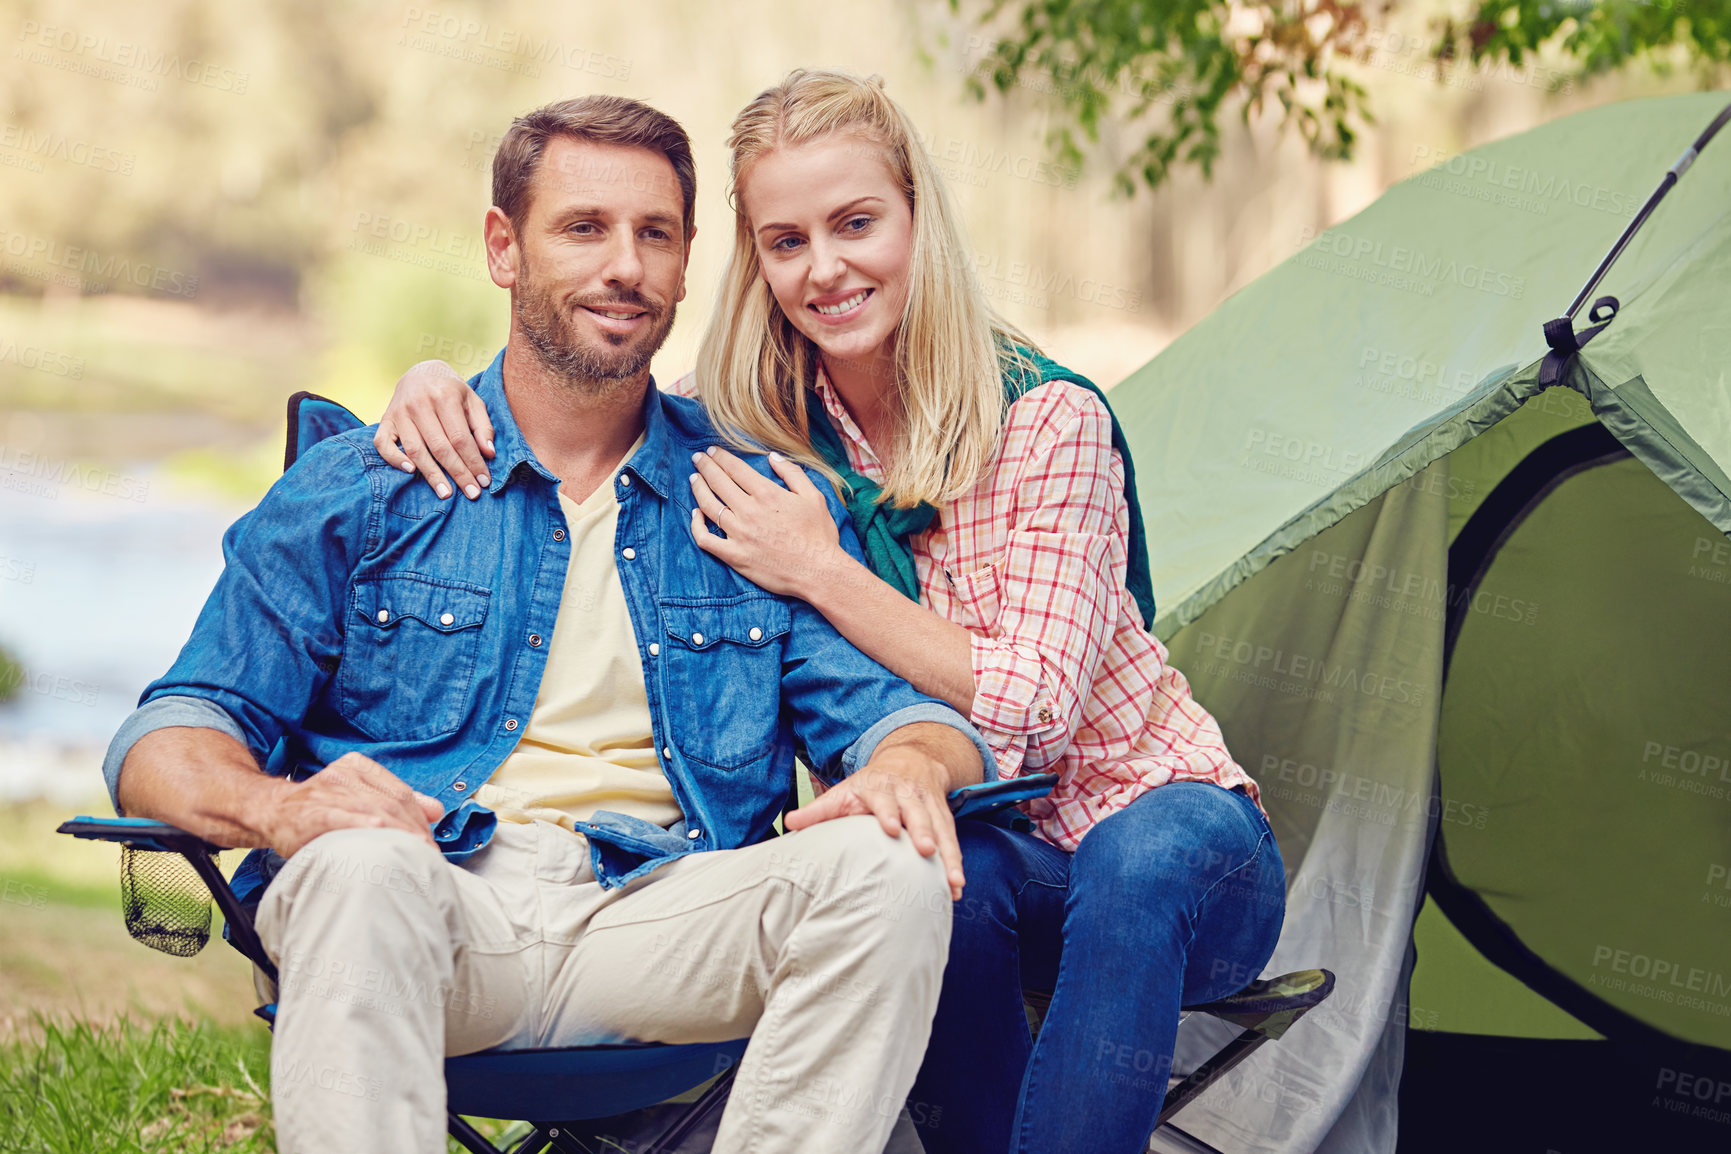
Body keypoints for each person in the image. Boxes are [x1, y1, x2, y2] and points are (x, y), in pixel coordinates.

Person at [379, 71, 1286, 1154]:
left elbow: (1033, 712)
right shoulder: (762, 439)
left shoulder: (1047, 422)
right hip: (995, 857)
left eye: (857, 223)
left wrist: (822, 566)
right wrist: (437, 382)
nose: (828, 268)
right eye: (787, 240)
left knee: (1136, 858)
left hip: (1176, 846)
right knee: (941, 875)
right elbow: (587, 399)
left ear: (918, 219)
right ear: (757, 262)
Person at [101, 93, 1001, 1154]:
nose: (624, 265)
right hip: (430, 909)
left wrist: (912, 762)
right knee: (353, 864)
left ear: (686, 260)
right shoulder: (365, 489)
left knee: (888, 871)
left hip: (662, 913)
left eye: (654, 234)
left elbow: (910, 720)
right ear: (503, 246)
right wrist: (281, 810)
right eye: (584, 228)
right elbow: (164, 741)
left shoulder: (747, 501)